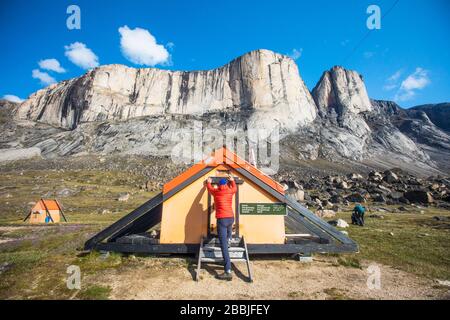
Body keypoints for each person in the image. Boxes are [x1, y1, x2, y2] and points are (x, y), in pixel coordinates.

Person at [205, 174, 237, 281]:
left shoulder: (216, 192)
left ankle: (227, 271)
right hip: (231, 218)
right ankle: (229, 239)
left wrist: (208, 181)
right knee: (228, 231)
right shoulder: (230, 191)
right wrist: (232, 180)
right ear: (226, 184)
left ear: (218, 185)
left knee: (223, 246)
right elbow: (235, 188)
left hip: (222, 219)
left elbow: (209, 188)